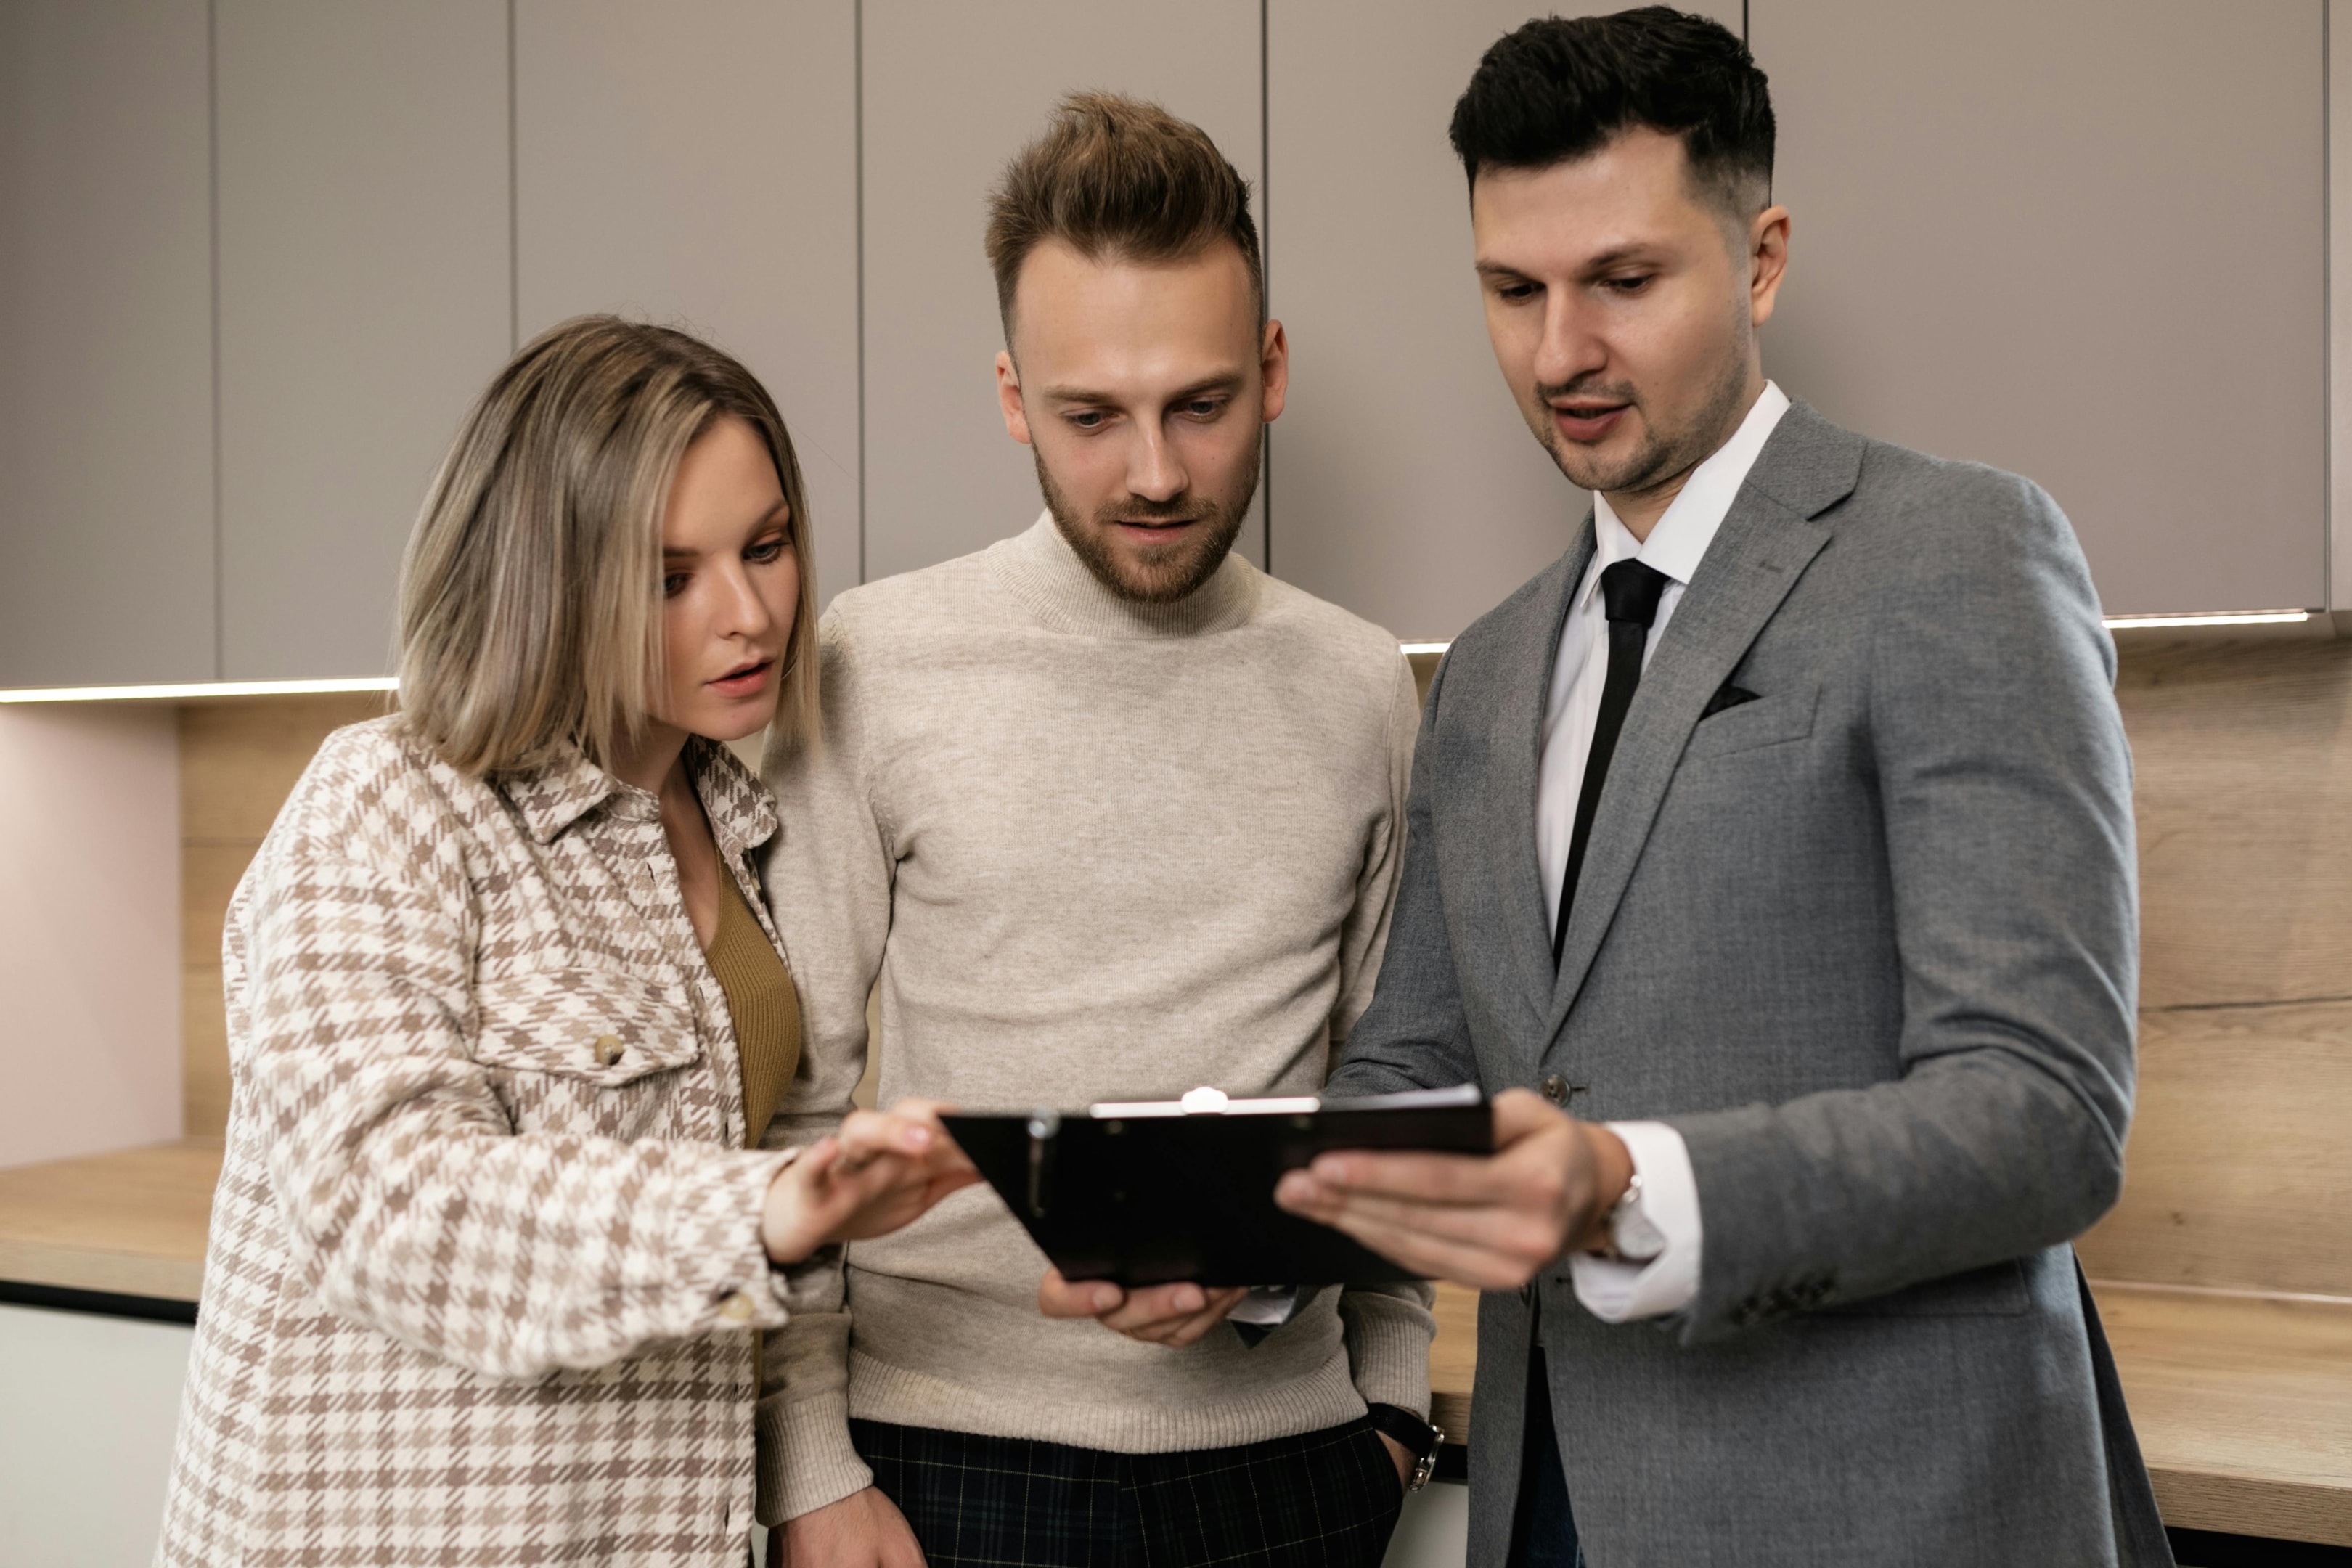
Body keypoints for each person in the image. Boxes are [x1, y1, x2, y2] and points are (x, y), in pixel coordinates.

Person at [1273, 11, 2171, 1567]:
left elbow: (2046, 1113)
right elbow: (1415, 1064)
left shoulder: (1957, 557)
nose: (1560, 353)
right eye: (1513, 290)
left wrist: (1628, 1184)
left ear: (1759, 261)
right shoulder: (1483, 671)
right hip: (1548, 1504)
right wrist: (1228, 1243)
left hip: (1887, 1515)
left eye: (1624, 282)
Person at [155, 317, 976, 1568]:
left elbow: (775, 1185)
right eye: (670, 577)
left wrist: (816, 1469)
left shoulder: (743, 825)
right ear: (549, 577)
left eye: (767, 548)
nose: (749, 613)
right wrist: (768, 1207)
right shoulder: (386, 803)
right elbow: (389, 1206)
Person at [760, 94, 1436, 1568]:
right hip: (943, 1462)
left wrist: (1389, 1409)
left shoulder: (1362, 684)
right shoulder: (873, 660)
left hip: (1286, 1466)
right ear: (1013, 395)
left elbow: (1389, 1076)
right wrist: (811, 1466)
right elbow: (800, 1104)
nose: (1151, 472)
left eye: (1199, 404)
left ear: (1270, 373)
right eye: (1089, 415)